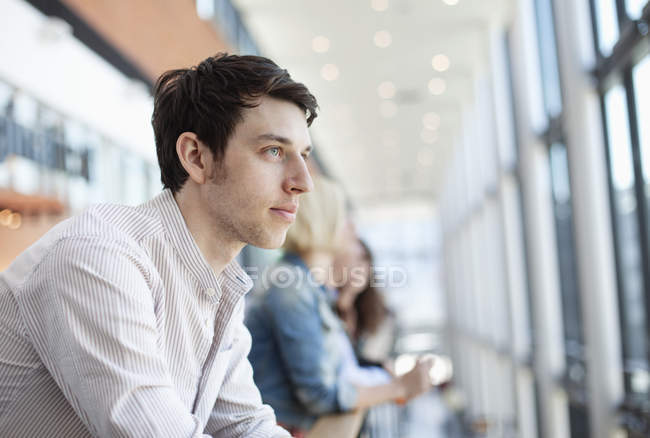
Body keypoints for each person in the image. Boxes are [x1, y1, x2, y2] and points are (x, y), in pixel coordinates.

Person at [0, 53, 317, 437]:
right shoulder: (99, 256)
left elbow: (244, 426)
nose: (303, 181)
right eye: (274, 151)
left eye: (303, 155)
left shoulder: (218, 288)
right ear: (196, 157)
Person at [245, 176, 433, 435]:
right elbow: (320, 394)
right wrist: (399, 387)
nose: (352, 228)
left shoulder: (309, 287)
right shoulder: (292, 288)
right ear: (322, 221)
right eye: (343, 216)